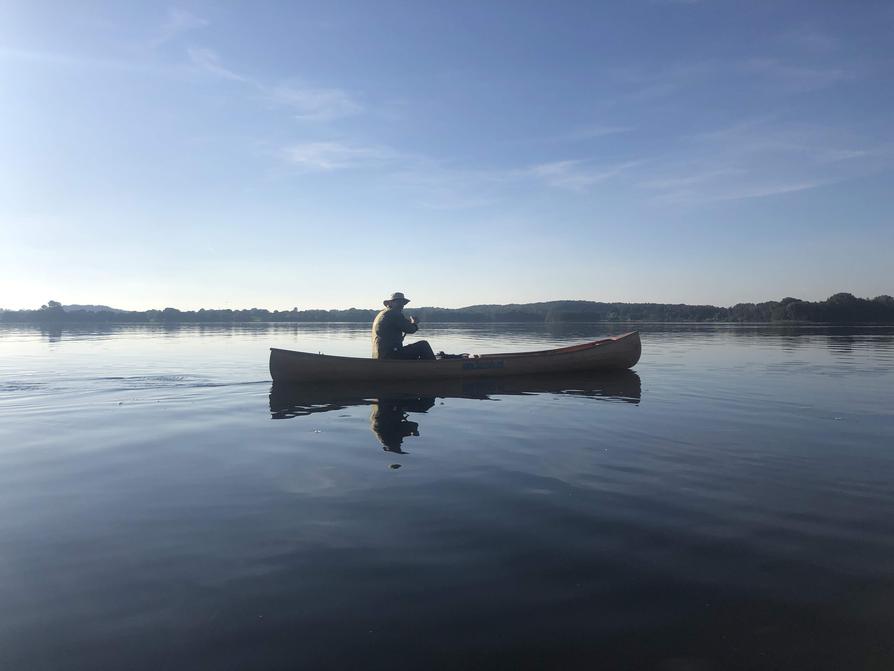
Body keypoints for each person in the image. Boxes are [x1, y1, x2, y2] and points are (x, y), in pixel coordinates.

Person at [371, 292, 436, 360]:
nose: (401, 305)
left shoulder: (382, 314)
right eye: (398, 302)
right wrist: (414, 323)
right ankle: (434, 367)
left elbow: (400, 326)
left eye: (402, 303)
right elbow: (410, 329)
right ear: (391, 303)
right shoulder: (394, 313)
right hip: (390, 355)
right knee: (423, 345)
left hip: (379, 356)